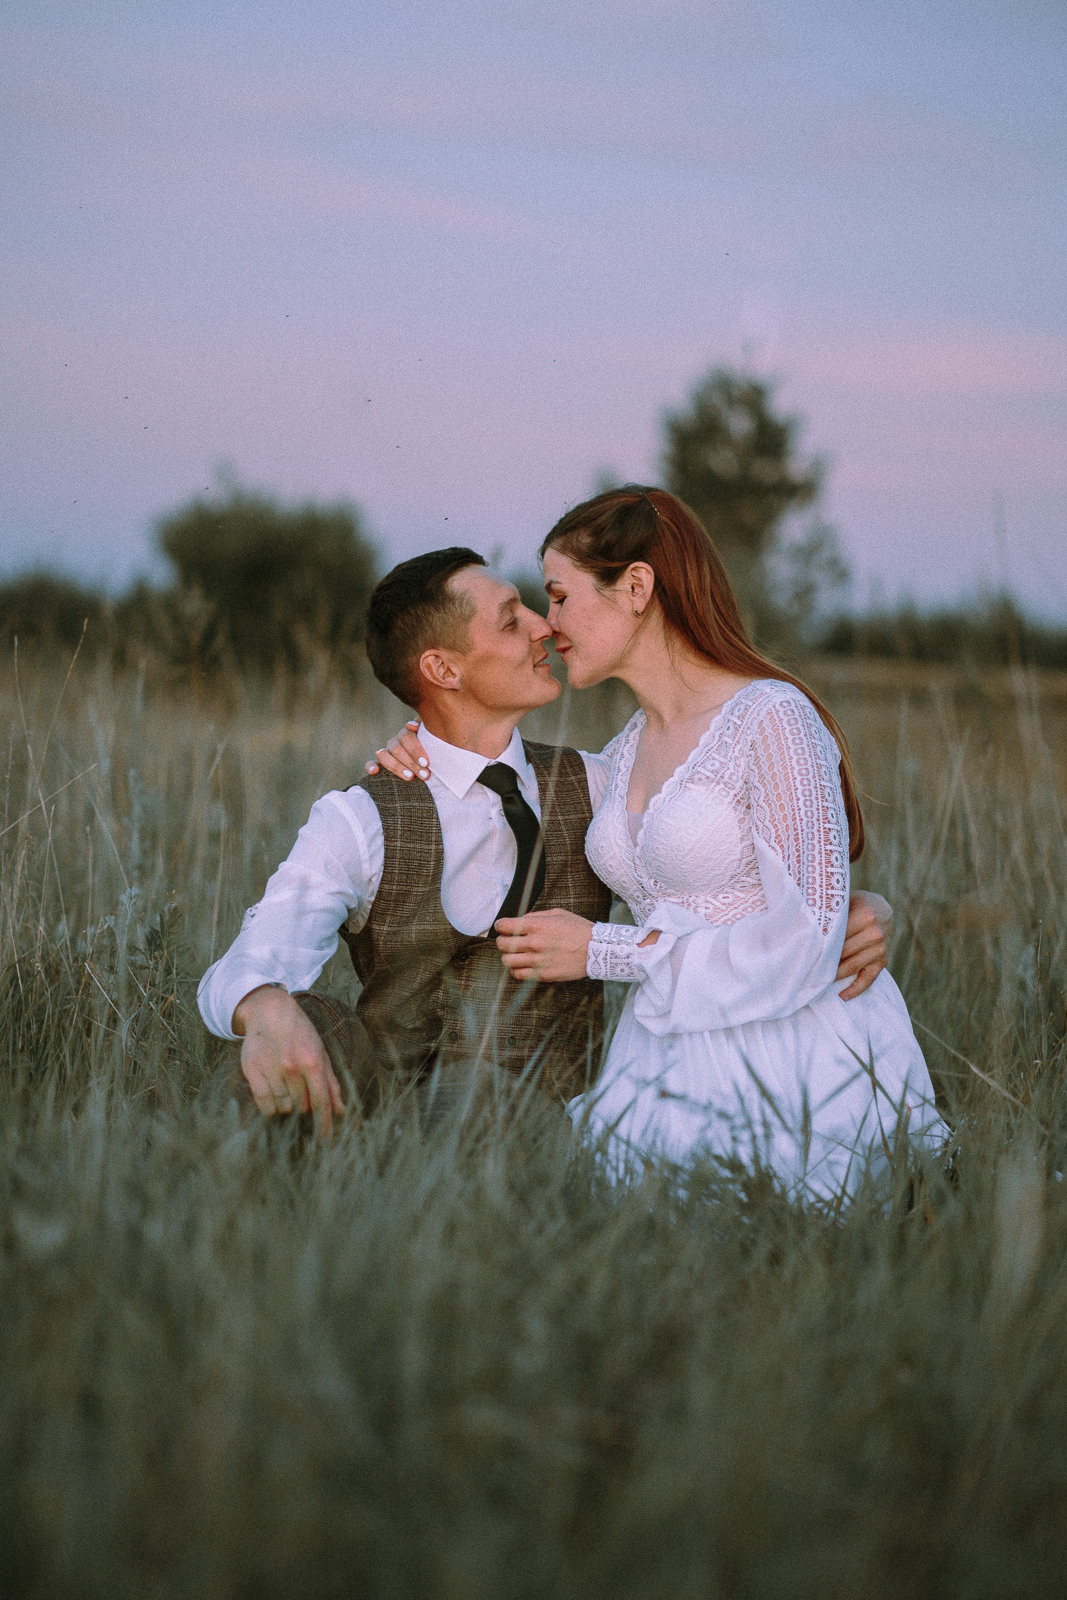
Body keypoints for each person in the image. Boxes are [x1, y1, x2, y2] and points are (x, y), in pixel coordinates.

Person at [198, 543, 892, 1136]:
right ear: (443, 670)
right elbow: (255, 953)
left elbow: (727, 872)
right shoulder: (359, 818)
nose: (543, 627)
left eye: (535, 606)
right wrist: (264, 1005)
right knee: (298, 1027)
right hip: (389, 1119)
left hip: (543, 1126)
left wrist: (868, 908)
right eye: (511, 621)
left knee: (477, 1104)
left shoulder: (600, 785)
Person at [377, 490, 946, 1199]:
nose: (547, 627)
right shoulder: (617, 757)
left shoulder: (770, 717)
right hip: (660, 1057)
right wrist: (416, 752)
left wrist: (601, 950)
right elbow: (496, 779)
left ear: (636, 587)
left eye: (558, 597)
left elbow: (806, 936)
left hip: (791, 1057)